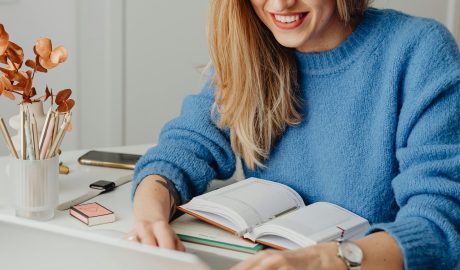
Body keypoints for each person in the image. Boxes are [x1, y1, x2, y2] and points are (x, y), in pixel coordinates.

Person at [128, 0, 460, 269]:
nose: (281, 4)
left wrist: (332, 259)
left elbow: (439, 224)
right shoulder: (252, 45)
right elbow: (184, 148)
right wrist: (150, 217)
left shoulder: (418, 51)